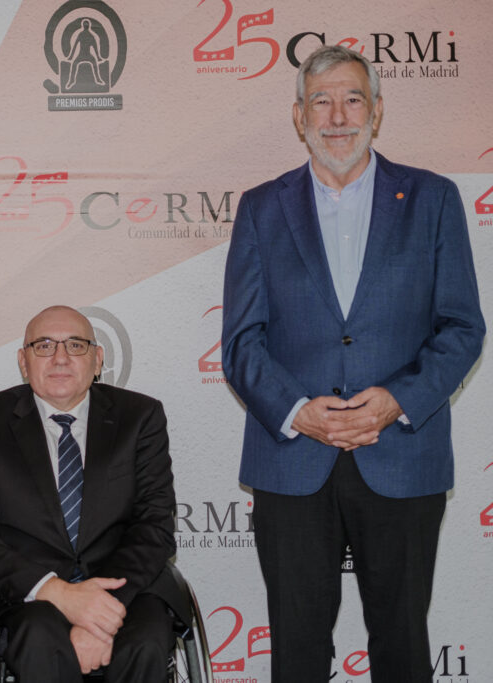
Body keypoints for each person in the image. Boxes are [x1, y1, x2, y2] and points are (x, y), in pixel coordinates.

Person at [221, 44, 485, 682]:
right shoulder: (261, 207)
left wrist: (397, 401)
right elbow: (241, 341)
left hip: (402, 457)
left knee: (402, 646)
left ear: (377, 110)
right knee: (297, 653)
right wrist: (296, 411)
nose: (337, 117)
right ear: (298, 116)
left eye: (352, 99)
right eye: (321, 101)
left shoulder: (433, 198)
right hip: (292, 463)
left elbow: (462, 327)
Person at [0, 306, 179, 682]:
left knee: (145, 641)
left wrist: (98, 613)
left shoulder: (140, 417)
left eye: (75, 345)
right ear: (23, 362)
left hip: (123, 588)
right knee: (41, 638)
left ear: (97, 359)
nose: (60, 358)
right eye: (43, 346)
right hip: (26, 596)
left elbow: (154, 525)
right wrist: (56, 592)